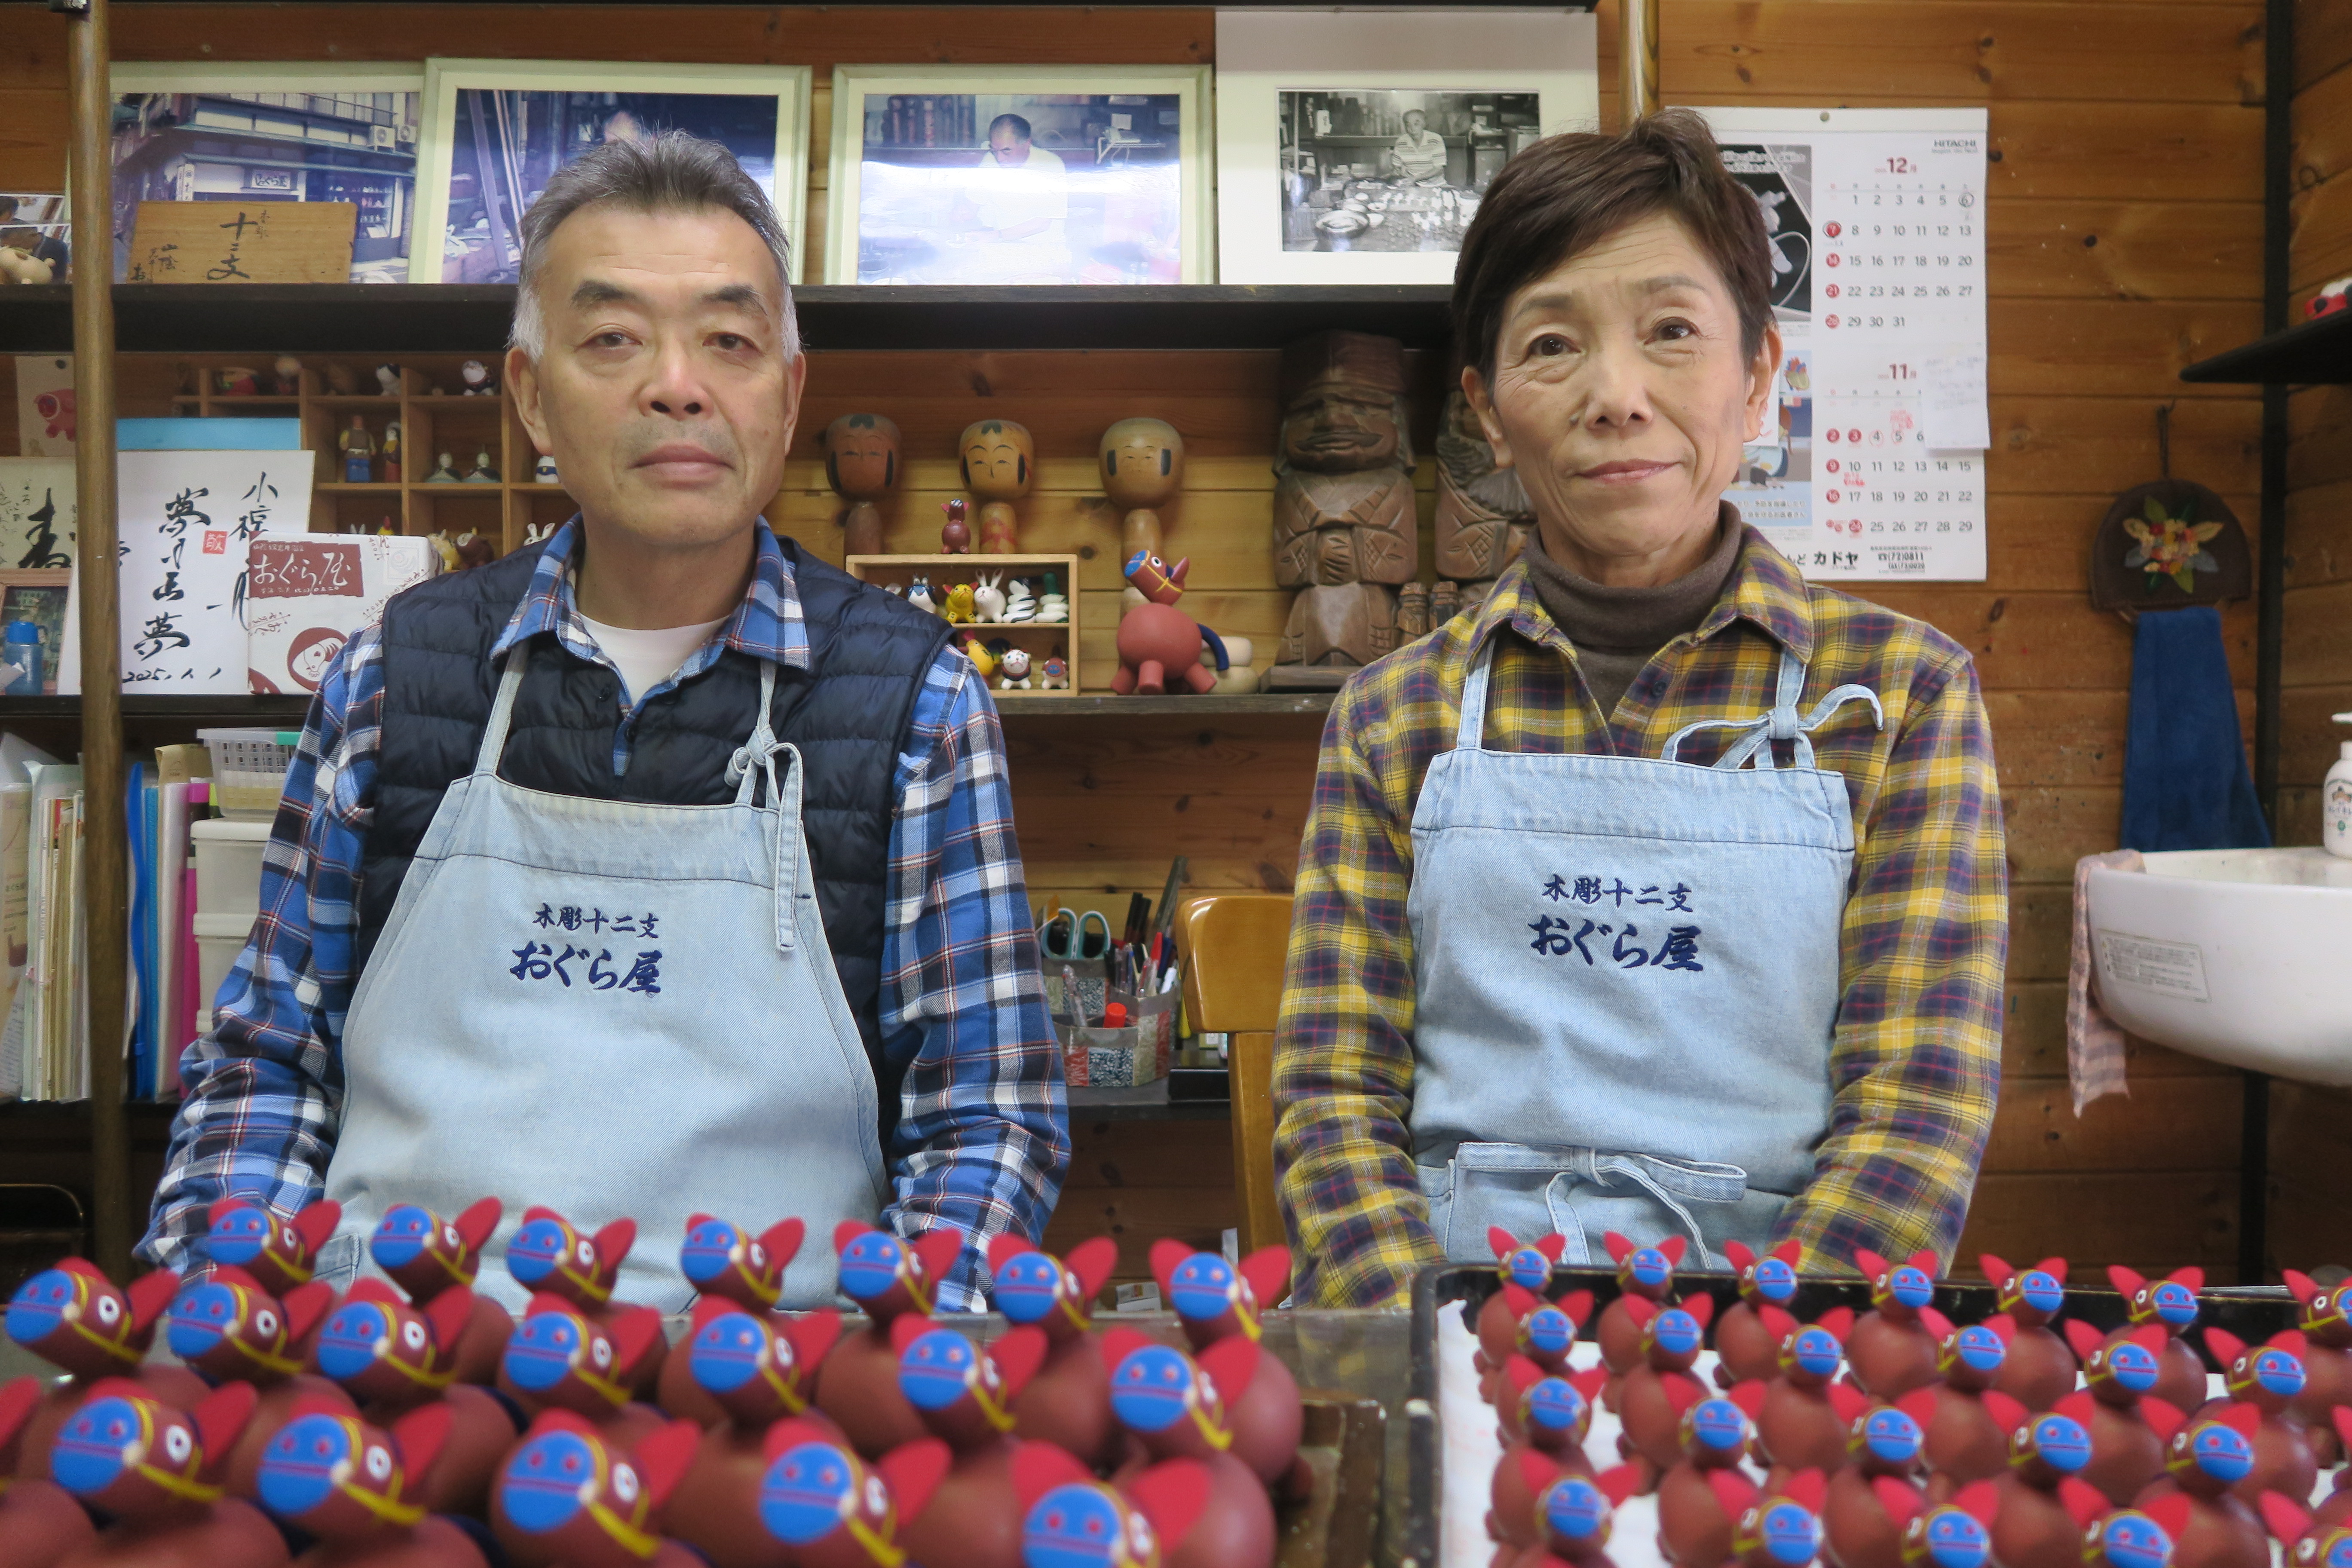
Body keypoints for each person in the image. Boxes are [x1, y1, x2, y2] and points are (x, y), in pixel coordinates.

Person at [139, 132, 1069, 1311]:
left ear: (788, 400)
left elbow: (986, 1122)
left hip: (771, 1401)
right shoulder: (396, 673)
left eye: (729, 342)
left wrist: (894, 1375)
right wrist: (228, 1317)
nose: (676, 385)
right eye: (613, 338)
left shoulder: (917, 702)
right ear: (531, 394)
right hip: (396, 1370)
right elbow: (268, 1067)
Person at [1274, 109, 2005, 1307]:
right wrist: (1437, 1352)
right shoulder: (1391, 715)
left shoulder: (1901, 698)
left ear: (1761, 376)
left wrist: (1767, 1365)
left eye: (1673, 332)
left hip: (1779, 1346)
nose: (1617, 395)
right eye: (1554, 345)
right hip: (1448, 1318)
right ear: (1489, 408)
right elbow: (1333, 1099)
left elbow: (1914, 1115)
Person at [952, 112, 1072, 280]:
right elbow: (972, 204)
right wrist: (962, 212)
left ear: (1027, 144)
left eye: (1006, 151)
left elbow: (1043, 223)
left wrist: (996, 236)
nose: (999, 158)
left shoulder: (1050, 165)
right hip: (1000, 248)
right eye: (995, 151)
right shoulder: (990, 161)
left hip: (1042, 250)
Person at [1387, 108, 1450, 186]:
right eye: (1408, 125)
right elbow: (1397, 168)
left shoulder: (1436, 140)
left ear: (1424, 124)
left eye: (1416, 124)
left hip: (1436, 185)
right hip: (1411, 185)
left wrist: (1416, 178)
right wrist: (1394, 174)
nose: (1412, 129)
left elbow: (1439, 169)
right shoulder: (1401, 142)